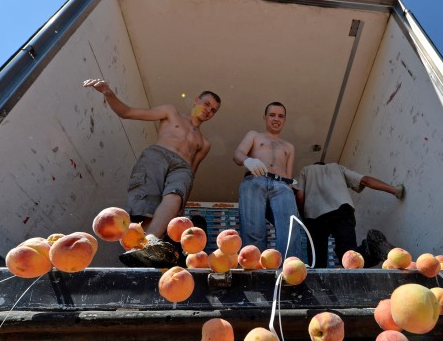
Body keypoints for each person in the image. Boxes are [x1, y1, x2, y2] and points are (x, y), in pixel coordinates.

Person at [83, 79, 221, 266]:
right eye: (207, 104)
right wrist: (108, 92)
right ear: (196, 100)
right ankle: (139, 248)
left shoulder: (204, 143)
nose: (208, 110)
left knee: (175, 194)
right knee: (146, 203)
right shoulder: (171, 112)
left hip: (183, 167)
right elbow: (127, 112)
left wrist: (180, 211)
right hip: (157, 156)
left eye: (213, 110)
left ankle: (150, 240)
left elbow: (190, 177)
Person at [294, 162, 404, 268]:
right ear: (324, 164)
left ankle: (320, 284)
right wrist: (394, 190)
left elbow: (299, 195)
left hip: (315, 217)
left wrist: (304, 216)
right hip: (343, 211)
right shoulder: (337, 168)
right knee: (348, 254)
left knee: (317, 259)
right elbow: (365, 180)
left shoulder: (306, 170)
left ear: (314, 165)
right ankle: (372, 248)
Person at [233, 102, 303, 260]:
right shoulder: (254, 135)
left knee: (290, 229)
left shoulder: (289, 146)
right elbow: (237, 154)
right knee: (253, 230)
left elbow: (289, 175)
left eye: (281, 116)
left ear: (285, 120)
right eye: (272, 115)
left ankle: (290, 269)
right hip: (255, 180)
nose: (276, 119)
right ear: (265, 118)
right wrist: (247, 161)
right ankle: (254, 268)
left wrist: (292, 191)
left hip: (282, 186)